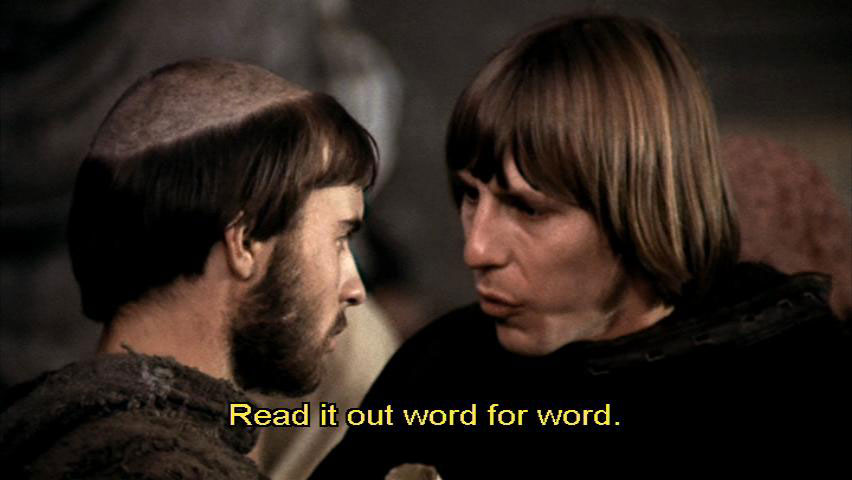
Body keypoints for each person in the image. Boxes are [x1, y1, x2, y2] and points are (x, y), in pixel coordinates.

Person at [310, 15, 849, 478]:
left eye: (528, 209)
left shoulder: (791, 374)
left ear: (638, 208)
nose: (477, 249)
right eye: (472, 195)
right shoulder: (443, 369)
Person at [0, 58, 377, 479]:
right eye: (340, 239)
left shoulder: (40, 432)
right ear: (245, 242)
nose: (355, 288)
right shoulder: (168, 469)